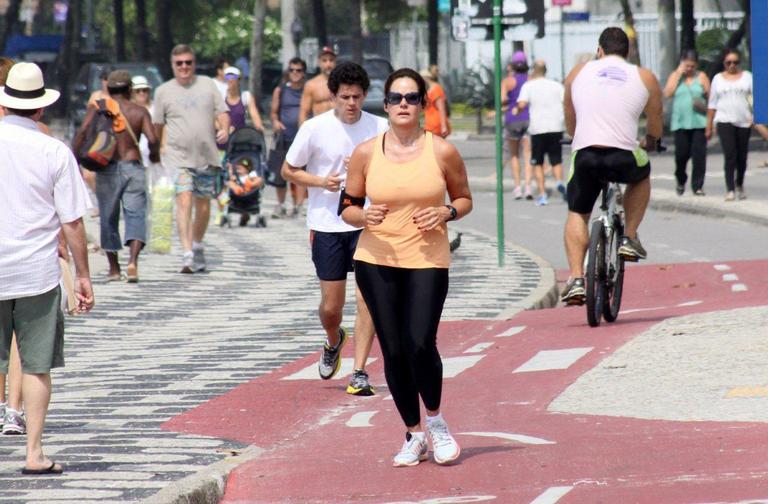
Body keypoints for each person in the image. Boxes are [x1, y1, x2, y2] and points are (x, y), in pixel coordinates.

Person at [340, 68, 472, 467]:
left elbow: (464, 198)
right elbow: (346, 207)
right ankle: (412, 433)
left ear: (422, 105)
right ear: (386, 104)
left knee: (419, 342)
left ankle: (436, 421)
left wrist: (446, 212)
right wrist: (363, 217)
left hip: (428, 259)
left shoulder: (442, 151)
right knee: (394, 350)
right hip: (376, 259)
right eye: (396, 98)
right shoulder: (366, 152)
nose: (403, 105)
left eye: (411, 98)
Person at [0, 62, 95, 475]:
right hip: (37, 272)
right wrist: (84, 276)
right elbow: (72, 222)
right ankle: (34, 453)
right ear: (39, 109)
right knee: (37, 364)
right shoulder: (53, 150)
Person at [281, 62, 388, 396]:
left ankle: (359, 372)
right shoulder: (314, 128)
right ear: (333, 96)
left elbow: (396, 169)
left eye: (357, 96)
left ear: (366, 95)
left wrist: (365, 169)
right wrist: (319, 181)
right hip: (326, 224)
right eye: (345, 97)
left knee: (367, 297)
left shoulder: (380, 127)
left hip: (367, 221)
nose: (351, 103)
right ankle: (334, 339)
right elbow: (288, 169)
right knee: (331, 307)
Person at [560, 27, 663, 305]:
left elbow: (570, 116)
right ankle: (629, 237)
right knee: (642, 174)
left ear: (599, 50)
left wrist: (577, 137)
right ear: (627, 53)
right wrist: (651, 141)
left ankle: (577, 279)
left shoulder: (578, 72)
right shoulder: (644, 77)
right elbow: (655, 123)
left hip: (586, 154)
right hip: (624, 154)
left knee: (577, 212)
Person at [73, 70, 160, 283]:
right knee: (136, 215)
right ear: (130, 89)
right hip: (133, 166)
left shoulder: (100, 110)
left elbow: (83, 132)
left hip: (107, 168)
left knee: (108, 217)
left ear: (109, 90)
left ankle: (114, 269)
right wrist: (155, 157)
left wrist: (74, 159)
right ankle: (133, 262)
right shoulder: (139, 111)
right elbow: (152, 138)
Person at [153, 44, 230, 273]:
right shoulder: (163, 91)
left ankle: (197, 244)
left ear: (194, 63)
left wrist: (224, 128)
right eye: (179, 63)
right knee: (184, 199)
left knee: (204, 206)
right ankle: (187, 254)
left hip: (207, 157)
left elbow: (222, 112)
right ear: (172, 65)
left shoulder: (208, 85)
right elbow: (158, 125)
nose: (184, 67)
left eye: (188, 62)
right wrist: (158, 148)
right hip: (178, 157)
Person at [516, 59, 566, 206]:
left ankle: (543, 194)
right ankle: (558, 181)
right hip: (556, 126)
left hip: (538, 128)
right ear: (546, 70)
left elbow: (522, 104)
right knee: (556, 159)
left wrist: (516, 110)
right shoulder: (556, 85)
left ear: (534, 70)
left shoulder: (529, 86)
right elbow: (565, 101)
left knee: (538, 162)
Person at [706, 49, 753, 201]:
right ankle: (730, 189)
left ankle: (739, 183)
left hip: (743, 120)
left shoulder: (747, 77)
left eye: (735, 62)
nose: (732, 65)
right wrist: (709, 125)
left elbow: (753, 98)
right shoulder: (718, 79)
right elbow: (712, 103)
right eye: (729, 63)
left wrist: (754, 115)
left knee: (742, 156)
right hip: (724, 120)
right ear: (724, 64)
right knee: (730, 155)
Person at [664, 49, 710, 196]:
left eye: (692, 66)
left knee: (699, 156)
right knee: (681, 155)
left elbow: (710, 98)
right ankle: (680, 179)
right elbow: (668, 93)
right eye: (687, 65)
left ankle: (697, 186)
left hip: (699, 122)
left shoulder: (701, 76)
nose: (689, 69)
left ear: (696, 65)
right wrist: (678, 74)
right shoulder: (676, 76)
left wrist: (710, 123)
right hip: (680, 123)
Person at [270, 58, 307, 218]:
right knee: (280, 172)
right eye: (292, 70)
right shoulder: (281, 90)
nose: (295, 73)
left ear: (303, 72)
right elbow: (273, 112)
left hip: (301, 136)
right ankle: (280, 205)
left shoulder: (308, 90)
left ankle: (298, 206)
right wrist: (276, 122)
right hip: (283, 136)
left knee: (299, 172)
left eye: (298, 70)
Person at [501, 52, 533, 200]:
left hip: (512, 119)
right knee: (528, 155)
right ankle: (528, 187)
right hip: (528, 118)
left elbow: (503, 100)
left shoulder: (508, 81)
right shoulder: (530, 79)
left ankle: (517, 187)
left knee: (514, 155)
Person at [298, 46, 337, 125]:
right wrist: (303, 134)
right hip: (319, 129)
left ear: (335, 62)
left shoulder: (343, 83)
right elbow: (303, 113)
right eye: (324, 60)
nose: (328, 64)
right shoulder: (311, 85)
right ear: (319, 63)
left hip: (340, 129)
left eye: (331, 60)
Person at [223, 66, 264, 132]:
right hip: (223, 136)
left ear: (239, 80)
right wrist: (225, 128)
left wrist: (259, 126)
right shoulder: (221, 96)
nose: (230, 80)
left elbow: (254, 114)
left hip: (240, 135)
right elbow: (215, 118)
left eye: (233, 77)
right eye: (228, 77)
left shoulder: (246, 96)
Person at [421, 66, 450, 138]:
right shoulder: (430, 89)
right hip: (430, 125)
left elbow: (441, 108)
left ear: (426, 78)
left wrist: (443, 126)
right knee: (430, 148)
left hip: (436, 125)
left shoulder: (436, 88)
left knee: (430, 148)